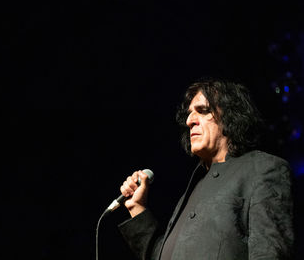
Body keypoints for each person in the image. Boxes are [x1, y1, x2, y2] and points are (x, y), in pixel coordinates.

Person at [118, 78, 294, 259]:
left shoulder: (262, 169)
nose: (189, 121)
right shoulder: (194, 187)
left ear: (231, 117)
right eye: (189, 114)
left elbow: (270, 253)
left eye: (202, 111)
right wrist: (137, 208)